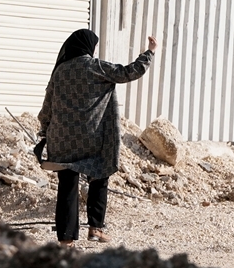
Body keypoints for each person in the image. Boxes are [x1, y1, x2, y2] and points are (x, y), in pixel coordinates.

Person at [37, 29, 157, 247]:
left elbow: (47, 106)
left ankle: (66, 240)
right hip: (91, 137)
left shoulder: (60, 71)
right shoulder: (95, 67)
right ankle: (95, 228)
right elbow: (130, 72)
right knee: (100, 172)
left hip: (62, 139)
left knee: (67, 186)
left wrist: (44, 131)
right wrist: (149, 53)